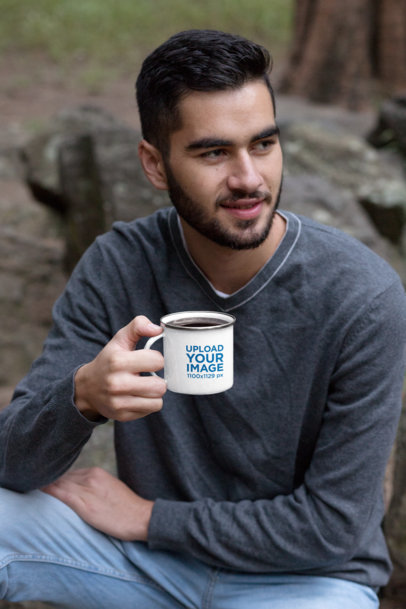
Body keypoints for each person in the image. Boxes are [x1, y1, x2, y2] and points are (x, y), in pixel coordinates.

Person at [0, 29, 405, 609]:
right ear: (154, 164)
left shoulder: (360, 295)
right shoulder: (120, 263)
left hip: (307, 582)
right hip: (142, 568)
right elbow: (10, 463)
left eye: (263, 144)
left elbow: (332, 527)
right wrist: (81, 398)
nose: (248, 178)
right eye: (214, 153)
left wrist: (147, 518)